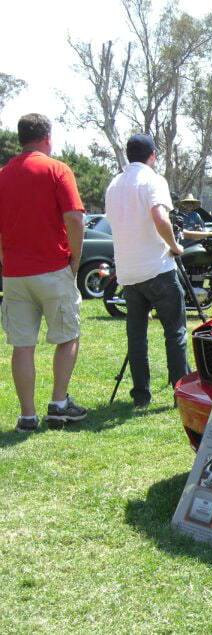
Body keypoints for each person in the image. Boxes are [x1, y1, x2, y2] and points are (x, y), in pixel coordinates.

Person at [0, 114, 87, 432]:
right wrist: (75, 258)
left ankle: (27, 415)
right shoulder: (57, 169)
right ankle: (59, 403)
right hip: (52, 268)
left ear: (21, 138)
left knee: (22, 345)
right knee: (67, 336)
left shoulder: (3, 175)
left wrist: (5, 260)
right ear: (47, 137)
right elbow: (75, 219)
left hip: (14, 274)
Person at [105, 134, 190, 408]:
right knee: (175, 332)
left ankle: (141, 395)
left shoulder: (114, 184)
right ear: (153, 155)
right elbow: (159, 217)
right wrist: (175, 245)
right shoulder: (153, 180)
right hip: (157, 267)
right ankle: (180, 392)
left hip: (129, 273)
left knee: (136, 336)